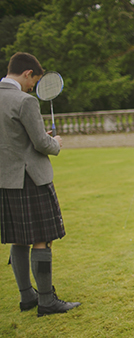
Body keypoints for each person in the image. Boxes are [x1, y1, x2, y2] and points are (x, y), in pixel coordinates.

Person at [0, 52, 81, 317]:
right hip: (30, 179)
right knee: (41, 239)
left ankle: (27, 297)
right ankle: (47, 301)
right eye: (34, 79)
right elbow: (40, 143)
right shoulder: (25, 101)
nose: (34, 86)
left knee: (18, 240)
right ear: (27, 73)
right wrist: (54, 143)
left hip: (5, 179)